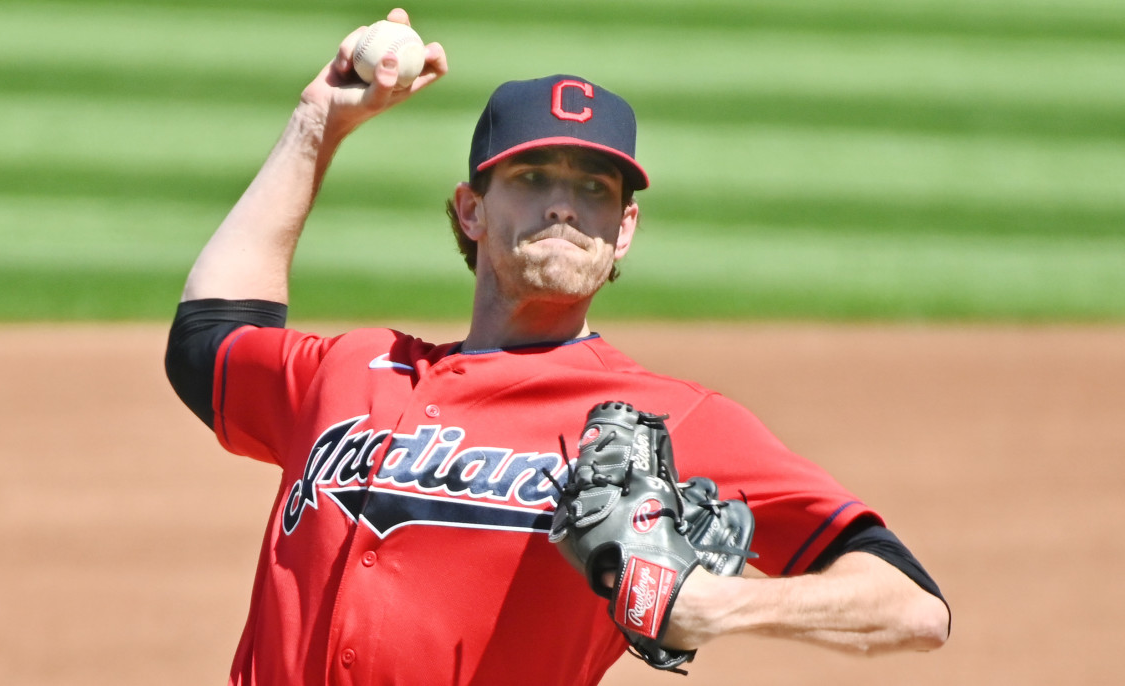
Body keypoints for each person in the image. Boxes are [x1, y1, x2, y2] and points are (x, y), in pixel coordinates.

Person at [165, 8, 950, 685]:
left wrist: (716, 604)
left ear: (624, 231)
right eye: (534, 177)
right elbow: (207, 339)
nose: (564, 206)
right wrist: (318, 122)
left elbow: (912, 605)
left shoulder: (667, 420)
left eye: (595, 190)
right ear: (471, 210)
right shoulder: (351, 371)